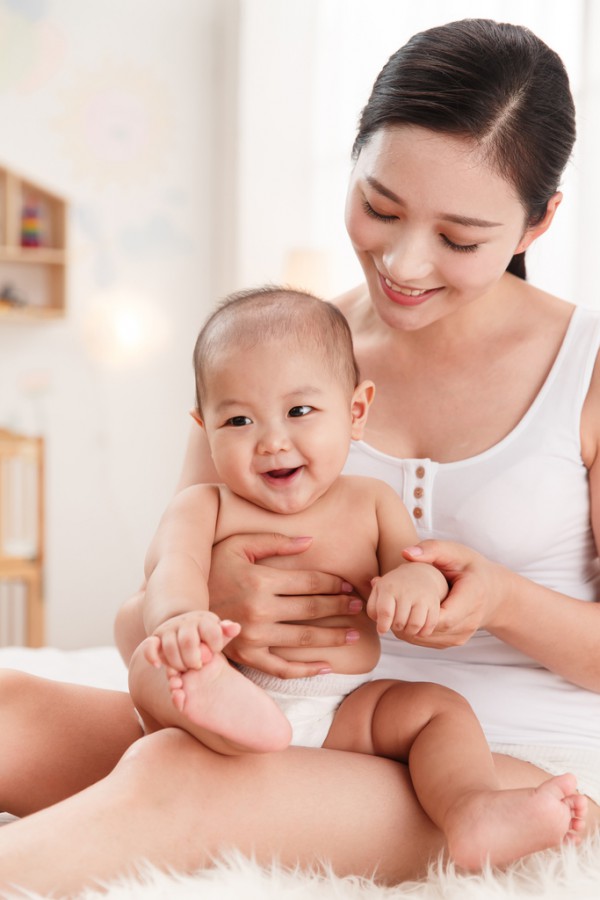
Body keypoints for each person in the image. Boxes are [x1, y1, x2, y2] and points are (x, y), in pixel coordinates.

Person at [0, 17, 599, 897]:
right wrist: (210, 610)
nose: (402, 261)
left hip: (497, 763)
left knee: (178, 781)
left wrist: (502, 601)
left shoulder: (584, 370)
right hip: (270, 717)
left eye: (459, 239)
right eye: (380, 207)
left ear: (537, 222)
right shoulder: (277, 359)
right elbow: (143, 622)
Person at [128, 284, 584, 871]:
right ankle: (228, 715)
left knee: (434, 709)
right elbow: (174, 568)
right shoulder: (204, 505)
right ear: (204, 425)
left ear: (356, 412)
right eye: (238, 419)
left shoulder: (371, 502)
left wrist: (411, 590)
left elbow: (415, 568)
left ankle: (472, 807)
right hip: (227, 682)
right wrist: (183, 623)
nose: (271, 440)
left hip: (339, 710)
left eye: (299, 412)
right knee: (154, 666)